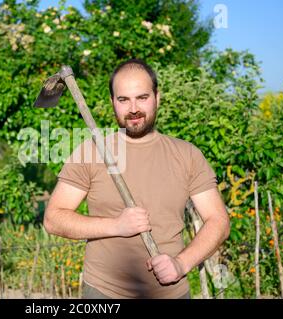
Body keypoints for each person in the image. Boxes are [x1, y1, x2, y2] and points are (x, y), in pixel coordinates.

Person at [43, 58, 230, 299]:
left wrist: (181, 264)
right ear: (113, 102)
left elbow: (218, 220)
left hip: (172, 293)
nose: (133, 109)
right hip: (103, 294)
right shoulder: (90, 152)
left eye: (142, 97)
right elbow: (53, 219)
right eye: (123, 99)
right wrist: (117, 226)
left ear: (157, 97)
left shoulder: (187, 154)